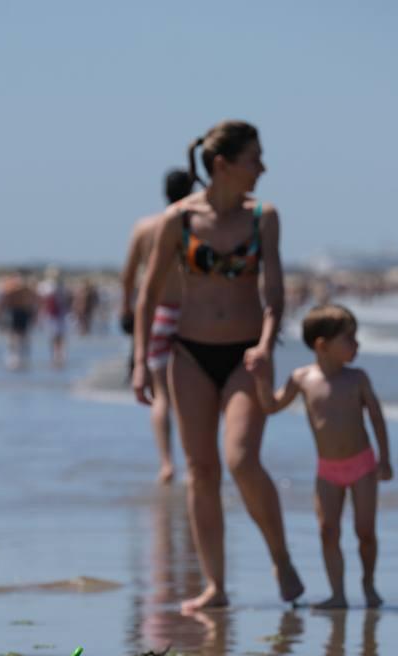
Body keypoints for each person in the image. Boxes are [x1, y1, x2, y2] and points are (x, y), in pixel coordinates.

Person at [133, 120, 304, 612]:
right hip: (189, 354)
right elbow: (147, 296)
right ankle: (216, 585)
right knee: (201, 472)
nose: (263, 168)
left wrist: (268, 345)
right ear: (223, 165)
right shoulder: (178, 219)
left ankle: (280, 556)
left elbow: (274, 294)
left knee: (242, 459)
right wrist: (144, 363)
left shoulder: (263, 217)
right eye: (255, 158)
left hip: (246, 355)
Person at [249, 304, 392, 609]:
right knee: (328, 531)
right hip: (327, 470)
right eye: (349, 339)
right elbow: (270, 406)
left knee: (364, 531)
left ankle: (368, 582)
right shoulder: (302, 378)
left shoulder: (357, 378)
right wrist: (261, 377)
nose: (357, 344)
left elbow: (377, 418)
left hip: (363, 465)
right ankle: (337, 594)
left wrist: (385, 458)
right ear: (322, 345)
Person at [122, 169, 193, 482]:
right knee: (193, 394)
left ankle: (166, 462)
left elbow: (128, 276)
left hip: (159, 314)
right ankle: (194, 462)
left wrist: (127, 310)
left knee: (162, 395)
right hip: (193, 314)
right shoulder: (198, 224)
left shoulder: (145, 227)